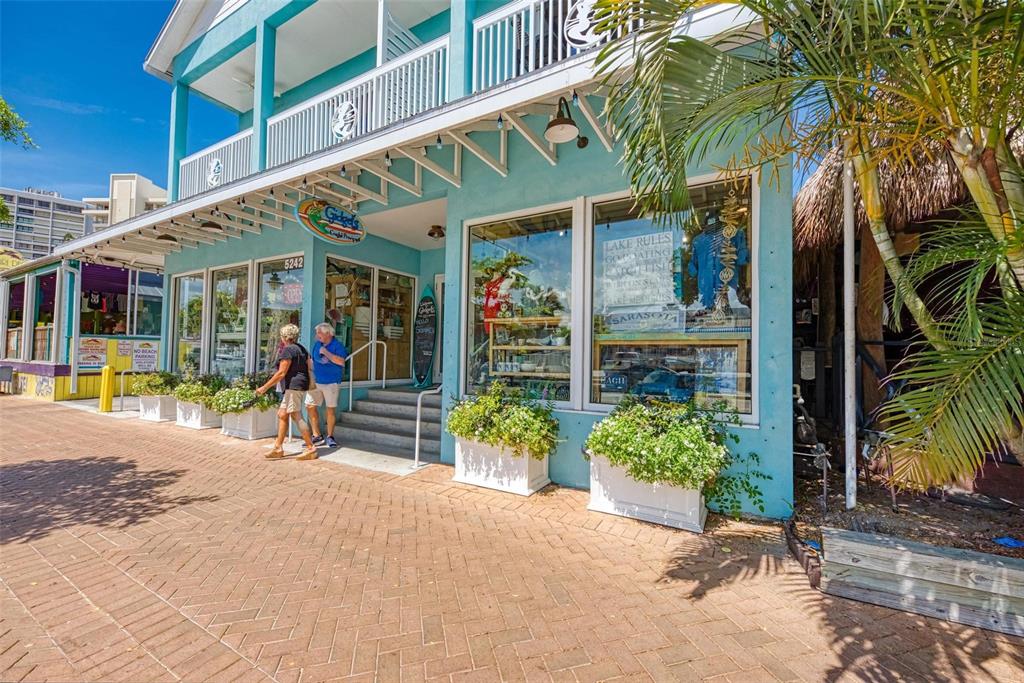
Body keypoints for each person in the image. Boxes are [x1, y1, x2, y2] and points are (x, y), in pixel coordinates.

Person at [255, 323, 318, 460]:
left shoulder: (288, 350)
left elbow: (281, 373)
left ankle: (310, 448)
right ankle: (278, 447)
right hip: (300, 384)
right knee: (282, 414)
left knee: (296, 415)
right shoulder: (302, 349)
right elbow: (309, 367)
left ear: (284, 336)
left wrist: (264, 387)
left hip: (293, 386)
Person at [304, 322, 348, 448]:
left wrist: (326, 352)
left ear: (328, 333)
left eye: (320, 333)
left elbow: (341, 362)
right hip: (316, 382)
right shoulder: (317, 345)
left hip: (331, 382)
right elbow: (312, 361)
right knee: (309, 405)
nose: (317, 335)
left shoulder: (337, 345)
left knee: (330, 410)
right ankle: (316, 435)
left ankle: (330, 437)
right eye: (317, 333)